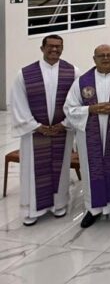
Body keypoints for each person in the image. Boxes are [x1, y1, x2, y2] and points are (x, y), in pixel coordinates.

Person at [11, 34, 80, 226]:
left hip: (61, 131)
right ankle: (32, 210)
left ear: (62, 48)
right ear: (42, 48)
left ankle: (59, 205)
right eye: (50, 46)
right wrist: (36, 126)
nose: (54, 49)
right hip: (34, 133)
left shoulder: (72, 72)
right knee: (33, 171)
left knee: (60, 168)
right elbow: (18, 103)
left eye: (58, 46)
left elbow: (77, 101)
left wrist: (64, 123)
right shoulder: (25, 74)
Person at [64, 45, 110, 228]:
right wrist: (90, 109)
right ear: (94, 59)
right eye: (101, 55)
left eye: (109, 55)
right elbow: (69, 108)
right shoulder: (81, 82)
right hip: (89, 135)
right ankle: (92, 209)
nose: (105, 58)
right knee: (91, 169)